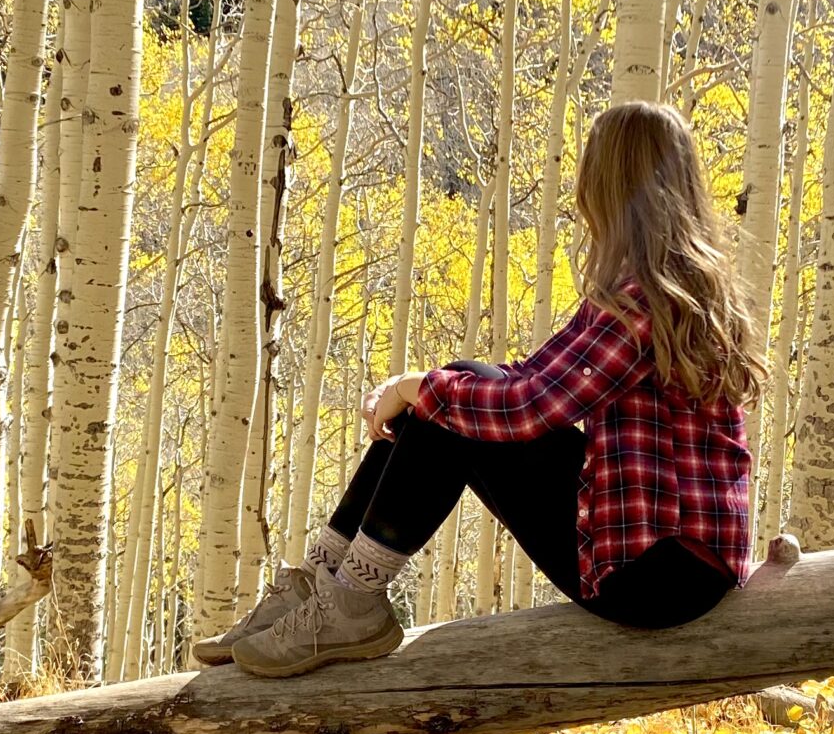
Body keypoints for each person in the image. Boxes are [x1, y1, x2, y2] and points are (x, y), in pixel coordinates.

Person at [200, 101, 765, 679]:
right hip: (670, 559)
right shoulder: (661, 288)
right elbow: (529, 376)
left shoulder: (645, 302)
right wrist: (415, 386)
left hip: (658, 578)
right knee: (459, 384)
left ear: (610, 186)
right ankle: (325, 584)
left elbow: (528, 410)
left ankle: (349, 601)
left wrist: (422, 390)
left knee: (449, 407)